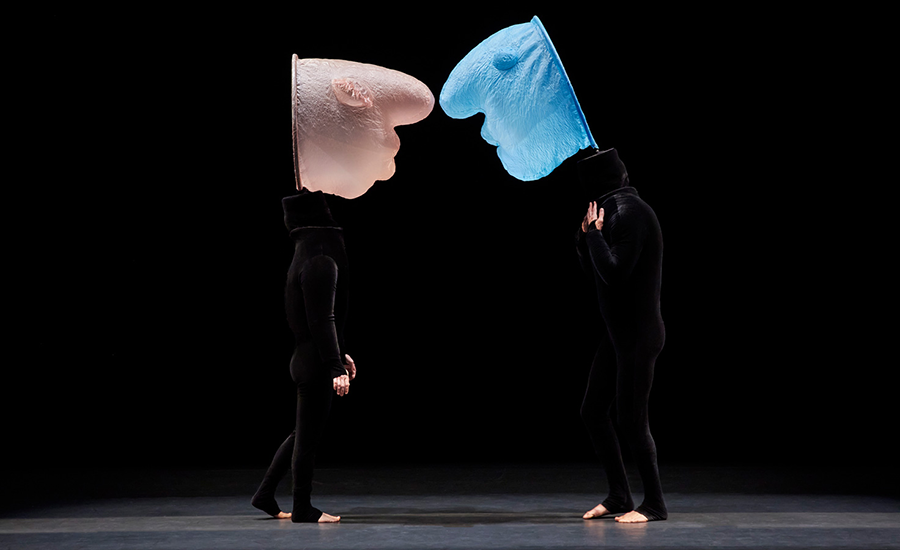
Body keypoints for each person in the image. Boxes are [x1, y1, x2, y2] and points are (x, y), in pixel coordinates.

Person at [251, 183, 356, 523]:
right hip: (313, 362)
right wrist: (334, 365)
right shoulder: (321, 260)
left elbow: (318, 318)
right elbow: (321, 319)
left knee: (302, 432)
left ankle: (265, 495)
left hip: (306, 356)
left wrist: (340, 355)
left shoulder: (304, 258)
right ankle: (303, 507)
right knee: (307, 438)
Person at [575, 148, 667, 523]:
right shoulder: (612, 211)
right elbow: (594, 271)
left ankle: (654, 505)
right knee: (593, 411)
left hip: (638, 335)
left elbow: (614, 273)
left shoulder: (629, 214)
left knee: (632, 420)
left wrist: (595, 237)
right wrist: (586, 236)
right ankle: (618, 496)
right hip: (619, 335)